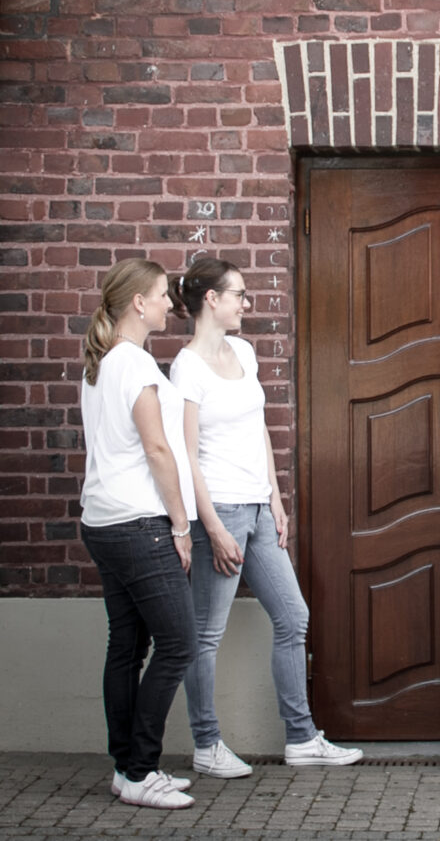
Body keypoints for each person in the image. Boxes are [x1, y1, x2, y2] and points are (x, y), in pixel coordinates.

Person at [169, 257, 363, 776]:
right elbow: (186, 455)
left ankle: (301, 739)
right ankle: (207, 745)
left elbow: (258, 429)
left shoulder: (245, 352)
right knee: (205, 635)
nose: (246, 303)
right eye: (238, 294)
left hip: (256, 506)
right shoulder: (186, 367)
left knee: (293, 618)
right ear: (211, 299)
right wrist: (210, 526)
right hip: (221, 512)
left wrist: (275, 498)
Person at [80, 258, 198, 811]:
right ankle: (140, 769)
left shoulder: (103, 364)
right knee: (178, 643)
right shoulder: (137, 365)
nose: (170, 305)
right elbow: (157, 451)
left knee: (127, 645)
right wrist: (179, 525)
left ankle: (126, 769)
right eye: (162, 296)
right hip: (139, 524)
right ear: (138, 303)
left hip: (102, 521)